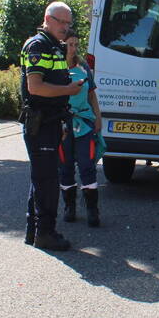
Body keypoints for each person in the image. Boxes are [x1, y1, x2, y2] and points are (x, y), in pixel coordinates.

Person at [20, 2, 85, 251]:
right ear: (48, 18)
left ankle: (34, 231)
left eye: (69, 23)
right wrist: (68, 90)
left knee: (42, 178)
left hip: (51, 120)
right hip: (40, 121)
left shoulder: (54, 47)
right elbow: (35, 87)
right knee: (46, 180)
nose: (66, 27)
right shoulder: (38, 45)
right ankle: (45, 233)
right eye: (62, 22)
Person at [57, 29, 103, 227]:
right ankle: (69, 206)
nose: (74, 48)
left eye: (76, 44)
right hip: (63, 125)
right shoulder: (54, 67)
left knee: (87, 166)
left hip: (84, 124)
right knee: (65, 167)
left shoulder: (83, 66)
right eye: (70, 44)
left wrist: (98, 117)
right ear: (62, 45)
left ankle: (92, 209)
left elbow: (92, 94)